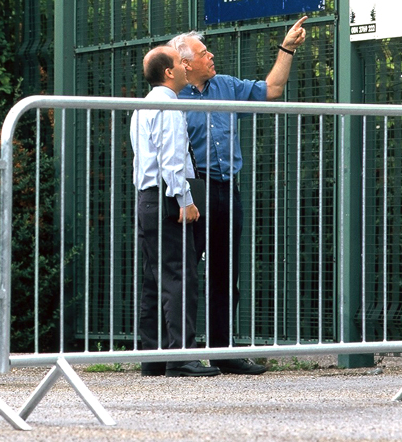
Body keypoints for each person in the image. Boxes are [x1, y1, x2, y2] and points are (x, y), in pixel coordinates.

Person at [168, 17, 307, 375]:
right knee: (183, 272)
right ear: (184, 63)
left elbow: (272, 89)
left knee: (226, 273)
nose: (211, 55)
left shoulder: (226, 85)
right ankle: (178, 353)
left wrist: (287, 46)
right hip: (190, 190)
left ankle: (224, 351)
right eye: (203, 52)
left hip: (227, 189)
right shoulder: (170, 97)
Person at [130, 45, 220, 378]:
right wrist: (185, 201)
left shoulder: (141, 107)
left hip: (147, 199)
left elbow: (143, 160)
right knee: (180, 275)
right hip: (168, 199)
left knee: (154, 278)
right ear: (169, 72)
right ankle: (181, 355)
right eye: (180, 63)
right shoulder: (169, 107)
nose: (186, 67)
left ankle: (153, 357)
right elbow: (172, 161)